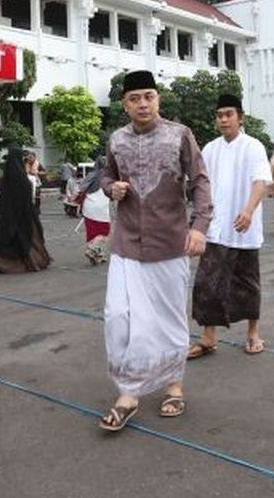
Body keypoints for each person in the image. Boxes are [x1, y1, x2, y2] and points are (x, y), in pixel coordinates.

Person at [96, 70, 212, 431]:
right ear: (124, 104)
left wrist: (199, 227)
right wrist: (110, 187)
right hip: (127, 243)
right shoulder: (116, 139)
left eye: (149, 96)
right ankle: (128, 390)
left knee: (168, 319)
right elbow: (105, 176)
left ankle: (172, 386)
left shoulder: (180, 135)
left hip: (169, 243)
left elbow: (200, 182)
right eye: (135, 98)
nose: (143, 104)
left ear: (157, 99)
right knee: (118, 316)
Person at [189, 94, 272, 359]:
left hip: (243, 229)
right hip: (215, 229)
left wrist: (248, 210)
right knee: (207, 284)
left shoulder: (253, 146)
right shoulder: (210, 148)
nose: (223, 119)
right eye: (219, 115)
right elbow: (200, 184)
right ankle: (208, 338)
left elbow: (261, 181)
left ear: (240, 117)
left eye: (229, 114)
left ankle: (252, 334)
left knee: (247, 285)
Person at [0, 150, 54, 273]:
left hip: (6, 216)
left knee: (9, 239)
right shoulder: (21, 177)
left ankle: (1, 263)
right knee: (26, 239)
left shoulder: (7, 177)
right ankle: (30, 262)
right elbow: (27, 197)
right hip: (23, 215)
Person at [76, 156, 112, 265]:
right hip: (102, 206)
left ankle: (99, 255)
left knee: (92, 231)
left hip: (89, 206)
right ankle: (92, 249)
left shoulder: (91, 175)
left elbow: (80, 188)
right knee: (105, 231)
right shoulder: (109, 176)